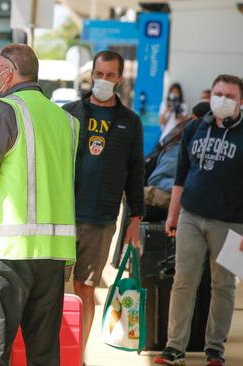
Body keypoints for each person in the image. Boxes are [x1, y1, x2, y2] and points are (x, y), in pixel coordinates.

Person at [0, 43, 78, 366]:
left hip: (6, 254)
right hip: (53, 255)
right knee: (43, 354)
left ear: (8, 75)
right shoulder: (66, 121)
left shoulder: (2, 111)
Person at [154, 74, 243, 366]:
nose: (222, 100)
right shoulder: (194, 128)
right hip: (190, 216)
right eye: (218, 93)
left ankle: (214, 349)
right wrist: (173, 214)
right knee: (183, 281)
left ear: (240, 102)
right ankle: (175, 347)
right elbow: (180, 177)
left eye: (230, 96)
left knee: (224, 285)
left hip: (231, 223)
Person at [62, 50, 145, 352]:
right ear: (91, 74)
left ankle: (77, 353)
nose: (104, 80)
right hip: (63, 215)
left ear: (120, 79)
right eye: (99, 74)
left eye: (111, 75)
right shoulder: (70, 113)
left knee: (85, 288)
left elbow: (136, 171)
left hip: (102, 218)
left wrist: (136, 218)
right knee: (52, 289)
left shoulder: (129, 122)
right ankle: (53, 349)